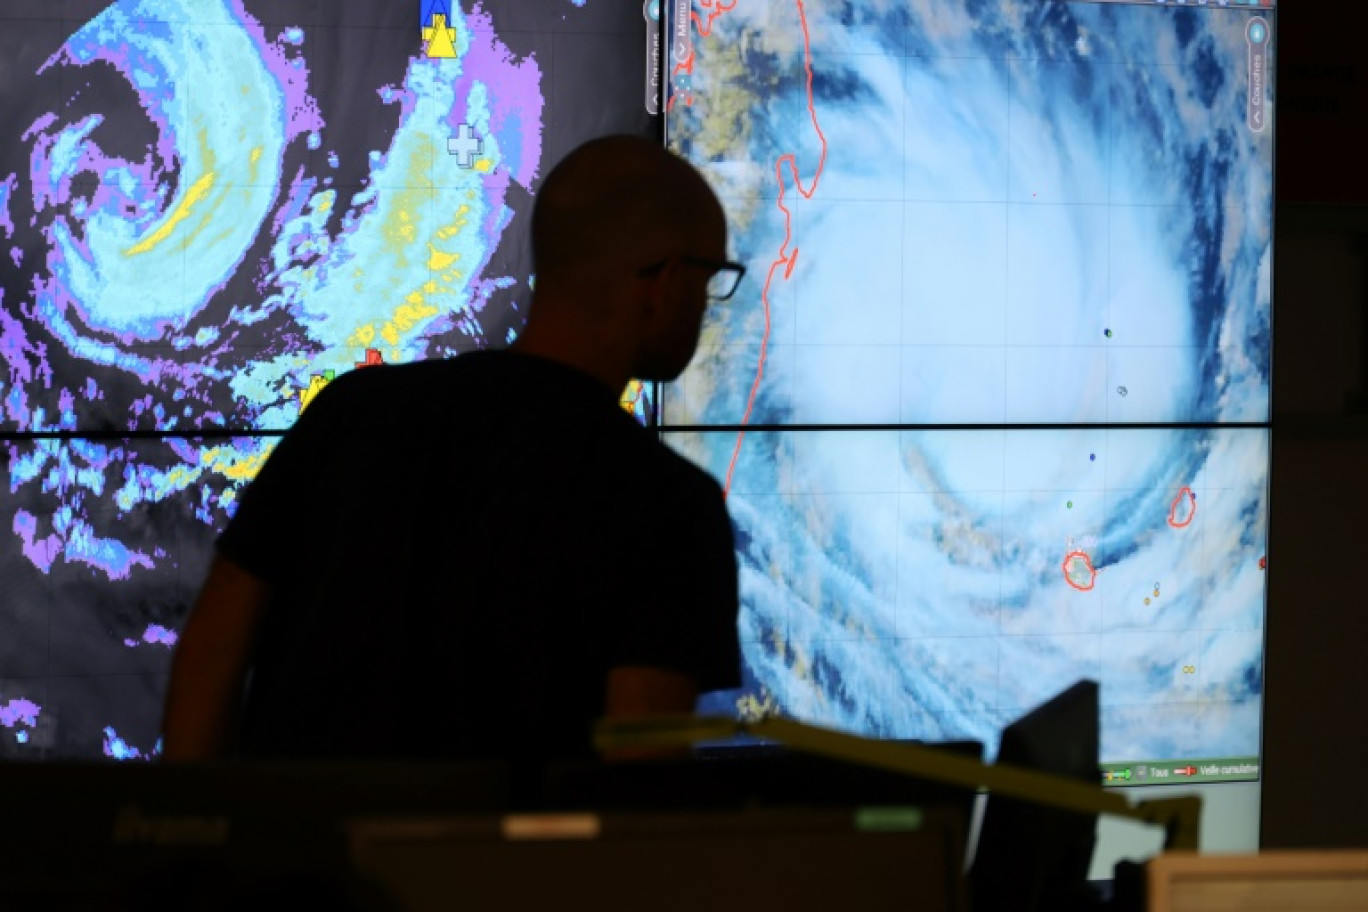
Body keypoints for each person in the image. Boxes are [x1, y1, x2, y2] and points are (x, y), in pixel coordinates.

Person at [162, 135, 744, 766]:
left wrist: (203, 841)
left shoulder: (349, 414)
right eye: (709, 278)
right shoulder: (667, 506)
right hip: (498, 866)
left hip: (299, 860)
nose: (706, 305)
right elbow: (641, 773)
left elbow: (211, 653)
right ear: (661, 284)